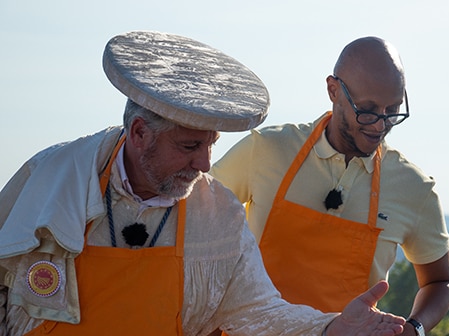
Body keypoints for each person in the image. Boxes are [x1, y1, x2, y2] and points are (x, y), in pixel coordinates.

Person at [0, 31, 406, 336]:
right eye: (190, 145)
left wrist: (331, 328)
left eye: (211, 144)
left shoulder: (217, 214)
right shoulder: (53, 178)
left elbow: (259, 313)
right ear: (140, 132)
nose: (204, 163)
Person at [209, 36, 449, 336]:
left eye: (392, 111)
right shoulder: (266, 150)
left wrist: (415, 328)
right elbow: (196, 215)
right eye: (367, 109)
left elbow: (440, 282)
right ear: (333, 90)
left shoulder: (414, 188)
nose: (380, 124)